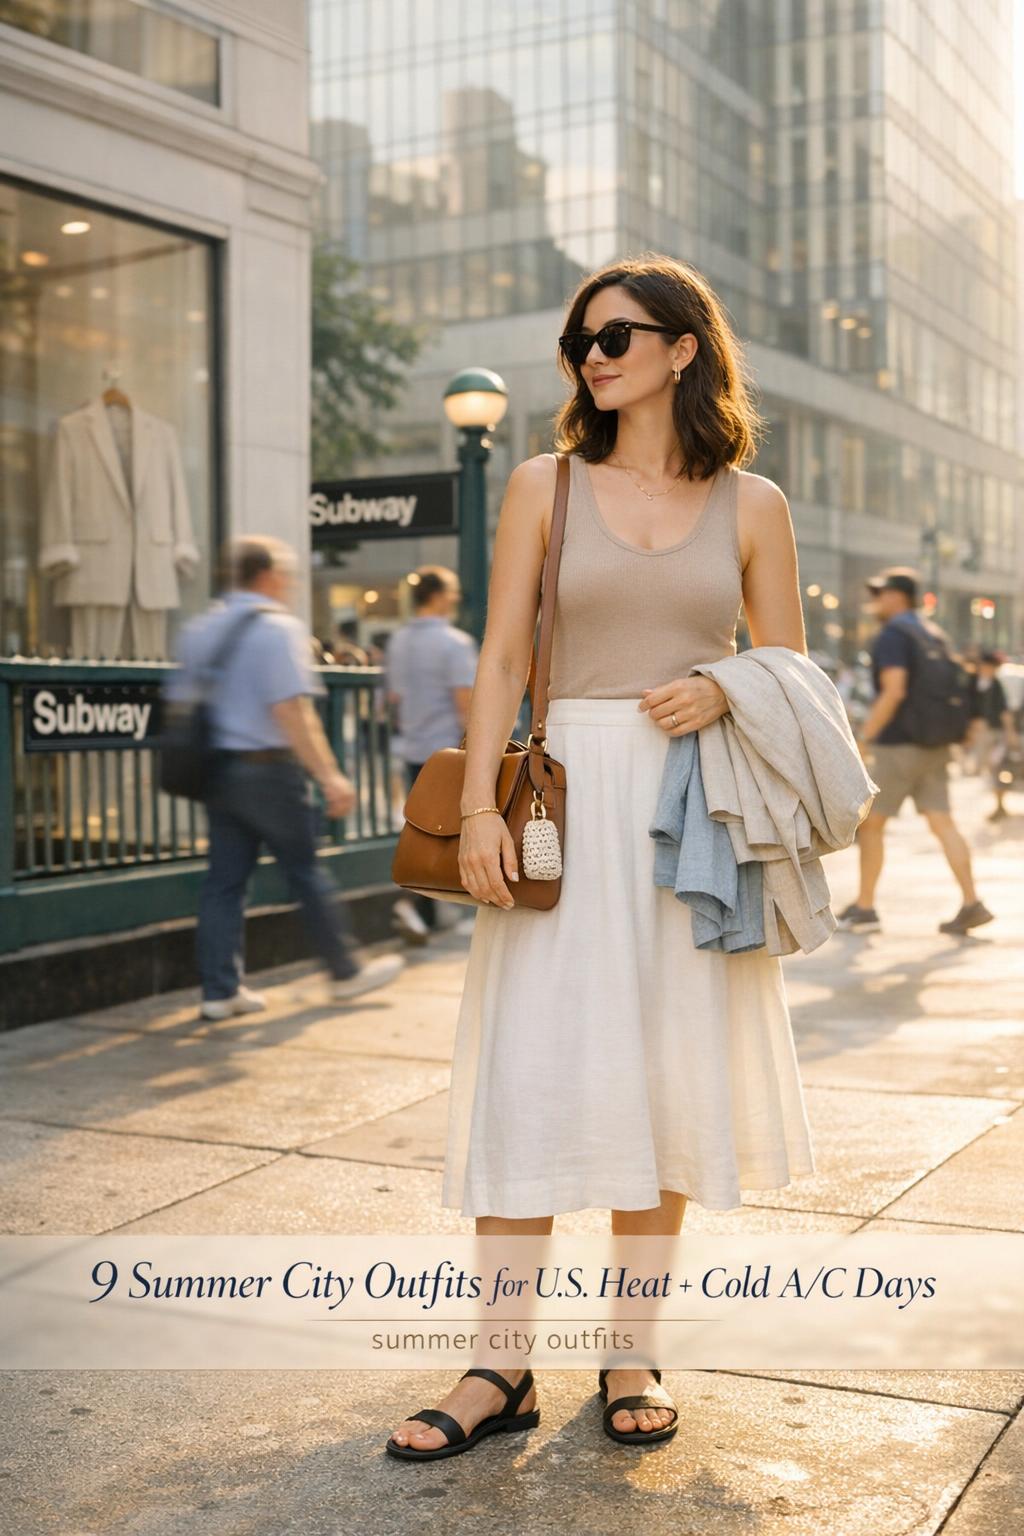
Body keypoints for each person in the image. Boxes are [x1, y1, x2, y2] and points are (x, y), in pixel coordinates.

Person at [386, 254, 815, 1459]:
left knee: (666, 1073)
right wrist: (479, 808)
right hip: (558, 806)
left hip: (690, 812)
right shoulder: (545, 485)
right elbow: (502, 657)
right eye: (581, 339)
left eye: (617, 335)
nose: (593, 355)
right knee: (530, 1067)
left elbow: (791, 675)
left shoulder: (754, 505)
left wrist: (721, 686)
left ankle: (631, 1350)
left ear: (683, 348)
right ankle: (497, 1365)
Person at [173, 535, 405, 1019]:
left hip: (219, 771)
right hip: (268, 770)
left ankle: (219, 991)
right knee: (304, 870)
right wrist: (330, 776)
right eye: (286, 575)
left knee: (223, 883)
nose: (289, 584)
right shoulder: (277, 630)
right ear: (268, 576)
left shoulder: (201, 629)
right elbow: (292, 712)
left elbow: (182, 700)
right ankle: (345, 971)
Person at [837, 568, 993, 936]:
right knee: (943, 823)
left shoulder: (894, 635)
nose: (875, 601)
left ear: (897, 597)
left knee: (871, 824)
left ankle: (865, 907)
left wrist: (864, 738)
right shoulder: (932, 633)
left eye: (880, 593)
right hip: (934, 744)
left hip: (898, 745)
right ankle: (972, 902)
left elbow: (894, 690)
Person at [386, 566, 479, 943]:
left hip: (413, 748)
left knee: (422, 828)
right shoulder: (454, 643)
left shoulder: (398, 642)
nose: (456, 598)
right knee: (450, 829)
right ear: (438, 596)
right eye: (452, 592)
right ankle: (418, 904)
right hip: (448, 752)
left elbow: (393, 698)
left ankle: (424, 910)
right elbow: (465, 704)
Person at [969, 650, 1020, 821]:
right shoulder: (973, 683)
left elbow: (1004, 711)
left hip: (995, 732)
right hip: (980, 733)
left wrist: (1010, 732)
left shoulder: (996, 685)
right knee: (990, 769)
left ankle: (1000, 804)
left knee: (998, 767)